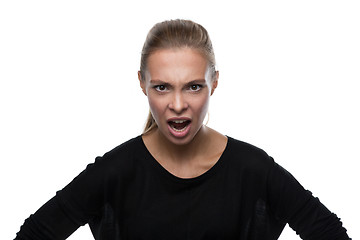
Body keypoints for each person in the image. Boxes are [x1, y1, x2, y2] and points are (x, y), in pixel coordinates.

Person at [15, 19, 350, 240]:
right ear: (142, 83)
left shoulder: (254, 170)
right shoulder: (114, 172)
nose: (177, 104)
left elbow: (329, 232)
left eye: (192, 87)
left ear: (214, 83)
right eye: (162, 87)